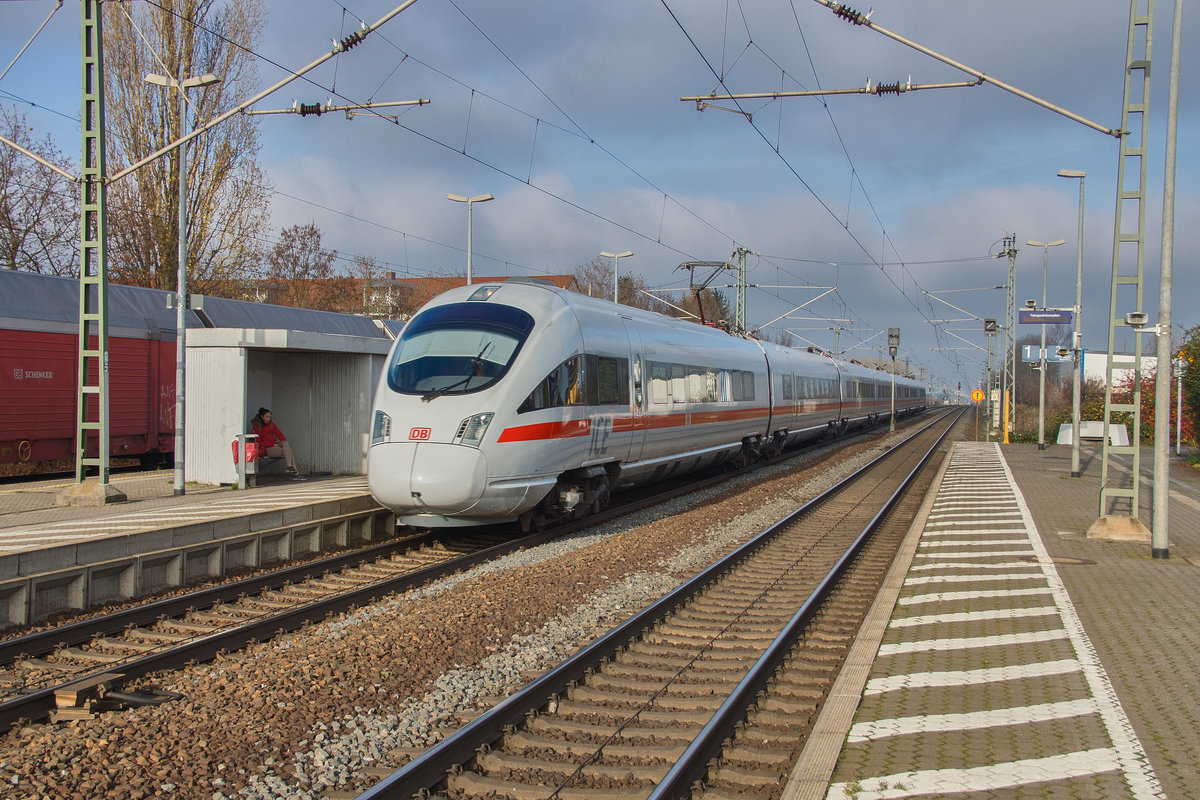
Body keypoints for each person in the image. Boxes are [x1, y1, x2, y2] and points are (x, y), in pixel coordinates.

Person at [251, 407, 305, 480]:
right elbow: (258, 441)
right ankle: (294, 472)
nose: (268, 419)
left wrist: (283, 443)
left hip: (274, 445)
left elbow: (279, 434)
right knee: (289, 451)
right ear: (261, 416)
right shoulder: (257, 426)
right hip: (266, 448)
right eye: (267, 417)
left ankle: (290, 467)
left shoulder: (271, 424)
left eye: (270, 417)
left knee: (285, 444)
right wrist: (272, 445)